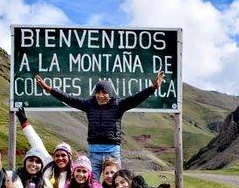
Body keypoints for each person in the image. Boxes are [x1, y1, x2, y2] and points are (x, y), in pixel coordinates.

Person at [35, 71, 165, 181]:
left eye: (104, 93)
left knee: (116, 182)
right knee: (91, 183)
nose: (100, 96)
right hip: (94, 153)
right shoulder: (89, 104)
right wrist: (49, 89)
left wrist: (152, 88)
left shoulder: (119, 105)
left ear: (110, 94)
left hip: (113, 153)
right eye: (98, 92)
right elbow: (68, 98)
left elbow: (136, 98)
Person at [15, 108, 73, 188]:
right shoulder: (48, 163)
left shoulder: (75, 173)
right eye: (57, 155)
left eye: (64, 155)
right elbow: (36, 142)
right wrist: (24, 121)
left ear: (69, 158)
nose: (60, 158)